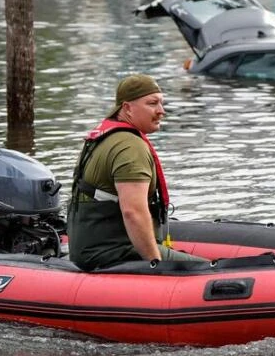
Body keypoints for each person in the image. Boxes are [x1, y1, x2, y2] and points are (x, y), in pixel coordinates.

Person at [66, 74, 207, 271]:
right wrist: (156, 264)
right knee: (208, 270)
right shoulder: (130, 147)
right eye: (152, 103)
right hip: (114, 252)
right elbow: (133, 212)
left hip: (90, 249)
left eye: (161, 103)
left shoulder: (106, 137)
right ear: (127, 108)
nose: (161, 111)